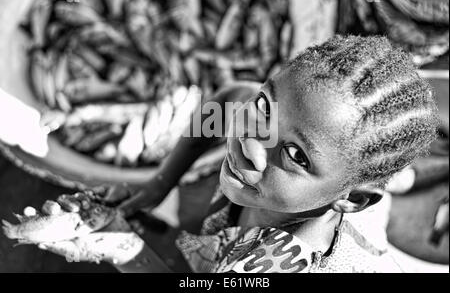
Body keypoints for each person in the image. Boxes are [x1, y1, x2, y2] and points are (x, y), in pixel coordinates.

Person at [37, 35, 439, 273]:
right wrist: (161, 182)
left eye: (297, 156)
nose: (250, 145)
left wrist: (122, 246)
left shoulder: (270, 267)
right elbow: (229, 99)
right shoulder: (271, 153)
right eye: (265, 107)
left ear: (350, 198)